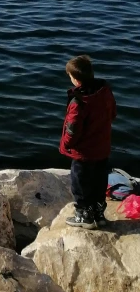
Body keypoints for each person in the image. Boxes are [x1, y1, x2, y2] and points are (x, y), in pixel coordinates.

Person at [60, 54, 117, 229]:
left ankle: (84, 216)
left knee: (80, 184)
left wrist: (66, 145)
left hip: (83, 153)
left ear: (76, 80)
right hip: (102, 148)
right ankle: (99, 215)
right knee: (99, 181)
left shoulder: (79, 102)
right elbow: (113, 113)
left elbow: (72, 130)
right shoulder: (105, 91)